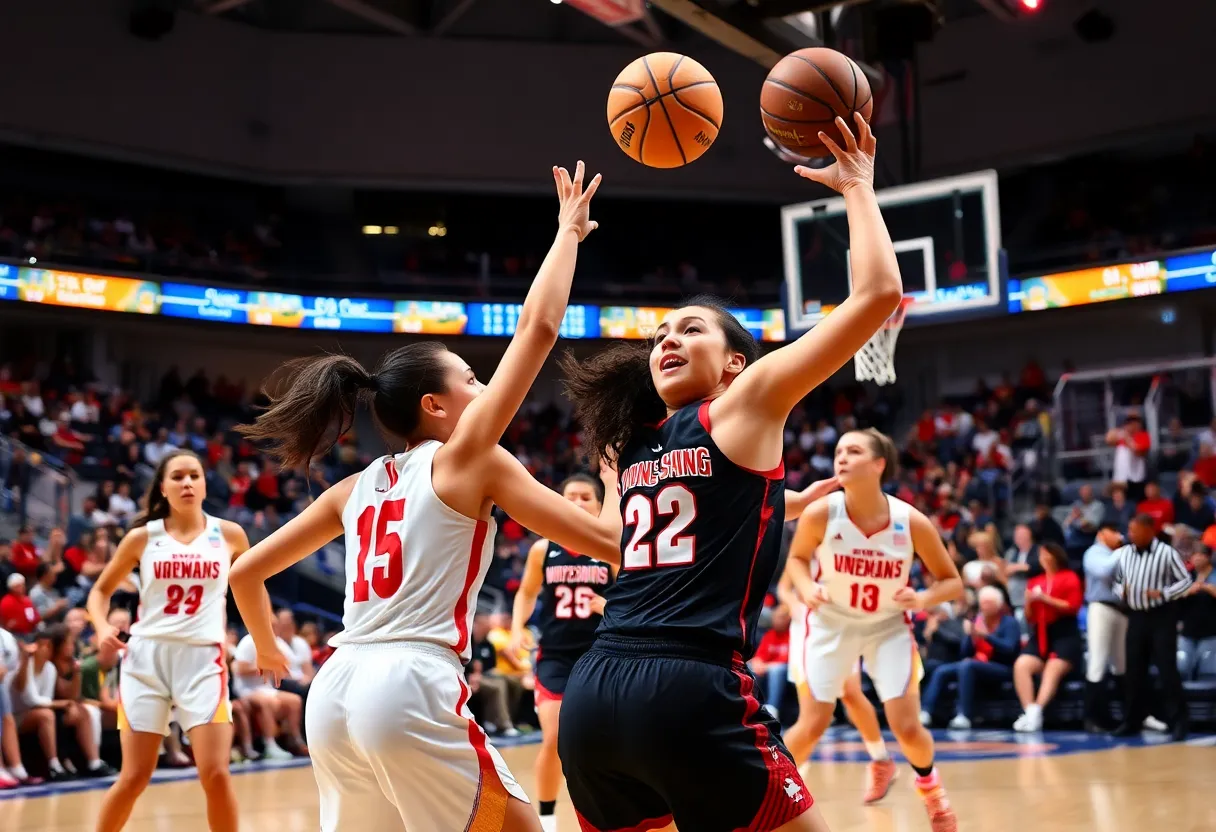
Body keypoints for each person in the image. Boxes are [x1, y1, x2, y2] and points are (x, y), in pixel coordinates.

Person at [227, 163, 635, 832]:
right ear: (436, 406)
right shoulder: (470, 457)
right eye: (472, 379)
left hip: (334, 690)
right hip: (410, 684)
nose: (483, 391)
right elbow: (536, 331)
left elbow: (245, 572)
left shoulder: (354, 488)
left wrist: (267, 648)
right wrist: (567, 233)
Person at [557, 113, 904, 832]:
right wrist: (859, 188)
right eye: (658, 336)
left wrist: (769, 503)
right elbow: (875, 297)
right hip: (690, 687)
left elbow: (664, 539)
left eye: (689, 329)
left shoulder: (627, 446)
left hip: (595, 697)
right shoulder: (740, 405)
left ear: (734, 360)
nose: (667, 341)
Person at [784, 429, 964, 832]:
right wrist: (805, 584)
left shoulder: (909, 520)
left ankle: (931, 790)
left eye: (853, 450)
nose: (841, 458)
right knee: (813, 723)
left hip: (887, 626)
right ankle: (766, 796)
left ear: (879, 464)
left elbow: (951, 582)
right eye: (838, 451)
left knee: (906, 726)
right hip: (832, 623)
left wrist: (921, 599)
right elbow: (795, 560)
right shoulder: (820, 512)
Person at [86, 449, 249, 832]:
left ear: (206, 483)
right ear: (163, 487)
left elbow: (252, 586)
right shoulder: (143, 537)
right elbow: (100, 591)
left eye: (194, 475)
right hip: (146, 661)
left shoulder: (229, 535)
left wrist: (263, 639)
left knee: (216, 774)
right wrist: (100, 626)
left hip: (203, 660)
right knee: (134, 777)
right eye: (177, 476)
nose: (187, 482)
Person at [508, 473, 616, 832]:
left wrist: (607, 605)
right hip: (554, 656)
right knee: (554, 738)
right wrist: (515, 629)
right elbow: (526, 593)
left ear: (600, 506)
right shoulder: (543, 548)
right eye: (570, 496)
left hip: (599, 656)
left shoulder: (610, 547)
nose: (577, 502)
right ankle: (549, 818)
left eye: (586, 497)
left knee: (600, 743)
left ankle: (606, 812)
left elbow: (632, 598)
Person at [779, 548, 898, 806]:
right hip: (809, 632)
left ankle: (881, 760)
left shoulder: (846, 542)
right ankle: (778, 782)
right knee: (815, 718)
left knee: (849, 696)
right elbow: (784, 588)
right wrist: (794, 604)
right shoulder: (805, 543)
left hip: (842, 629)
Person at [920, 585, 1020, 729]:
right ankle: (926, 711)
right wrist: (969, 636)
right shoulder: (978, 621)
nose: (984, 606)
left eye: (988, 603)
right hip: (977, 664)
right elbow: (964, 653)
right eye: (982, 603)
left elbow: (1009, 649)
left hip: (1003, 667)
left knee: (967, 665)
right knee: (942, 670)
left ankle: (963, 715)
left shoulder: (1009, 622)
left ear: (998, 605)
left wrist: (986, 636)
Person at [1011, 542, 1083, 732]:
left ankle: (1037, 711)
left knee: (1052, 668)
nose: (1043, 558)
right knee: (1022, 664)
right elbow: (1030, 617)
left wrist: (1045, 599)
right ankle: (1029, 711)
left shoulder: (1069, 577)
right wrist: (1028, 602)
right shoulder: (1035, 581)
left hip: (1065, 633)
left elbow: (1072, 606)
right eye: (1041, 555)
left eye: (1046, 554)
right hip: (1041, 632)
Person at [1082, 523, 1127, 731]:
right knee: (1098, 661)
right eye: (1114, 531)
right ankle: (1092, 718)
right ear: (1102, 533)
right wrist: (1123, 550)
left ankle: (1121, 716)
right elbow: (1104, 571)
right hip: (1100, 607)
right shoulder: (1094, 552)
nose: (1119, 535)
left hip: (1121, 609)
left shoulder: (1114, 554)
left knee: (1120, 664)